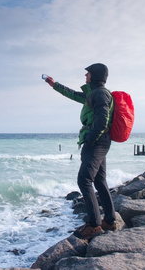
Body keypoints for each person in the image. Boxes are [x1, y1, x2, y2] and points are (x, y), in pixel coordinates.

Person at [44, 63, 116, 239]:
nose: (85, 77)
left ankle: (94, 225)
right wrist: (55, 85)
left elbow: (102, 120)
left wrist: (90, 141)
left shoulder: (99, 94)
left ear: (95, 76)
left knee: (84, 179)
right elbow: (75, 95)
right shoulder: (94, 93)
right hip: (101, 140)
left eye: (87, 74)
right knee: (99, 180)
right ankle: (110, 220)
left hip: (96, 141)